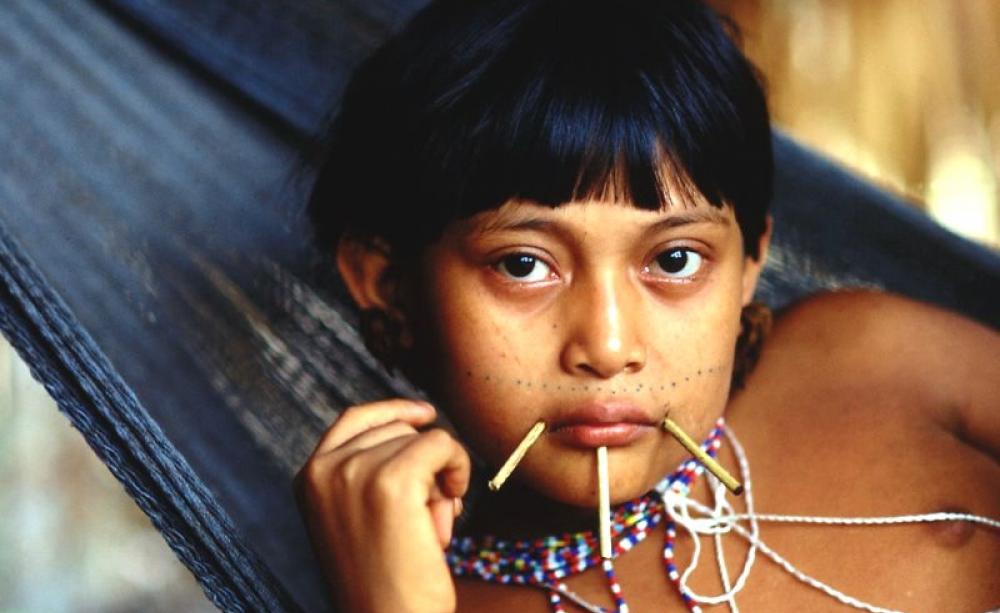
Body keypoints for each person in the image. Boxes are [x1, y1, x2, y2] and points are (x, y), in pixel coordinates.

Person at [293, 0, 1000, 611]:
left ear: (751, 259)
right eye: (522, 264)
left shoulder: (869, 359)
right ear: (389, 283)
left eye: (674, 260)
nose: (606, 346)